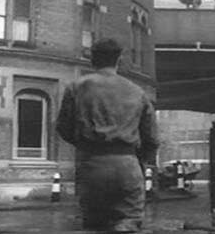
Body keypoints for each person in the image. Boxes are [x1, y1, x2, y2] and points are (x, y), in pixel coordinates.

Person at [56, 38, 159, 233]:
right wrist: (139, 160)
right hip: (127, 164)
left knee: (95, 224)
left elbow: (63, 127)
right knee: (128, 222)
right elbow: (152, 138)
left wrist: (85, 145)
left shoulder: (77, 87)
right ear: (118, 59)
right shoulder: (137, 91)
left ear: (93, 60)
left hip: (92, 164)